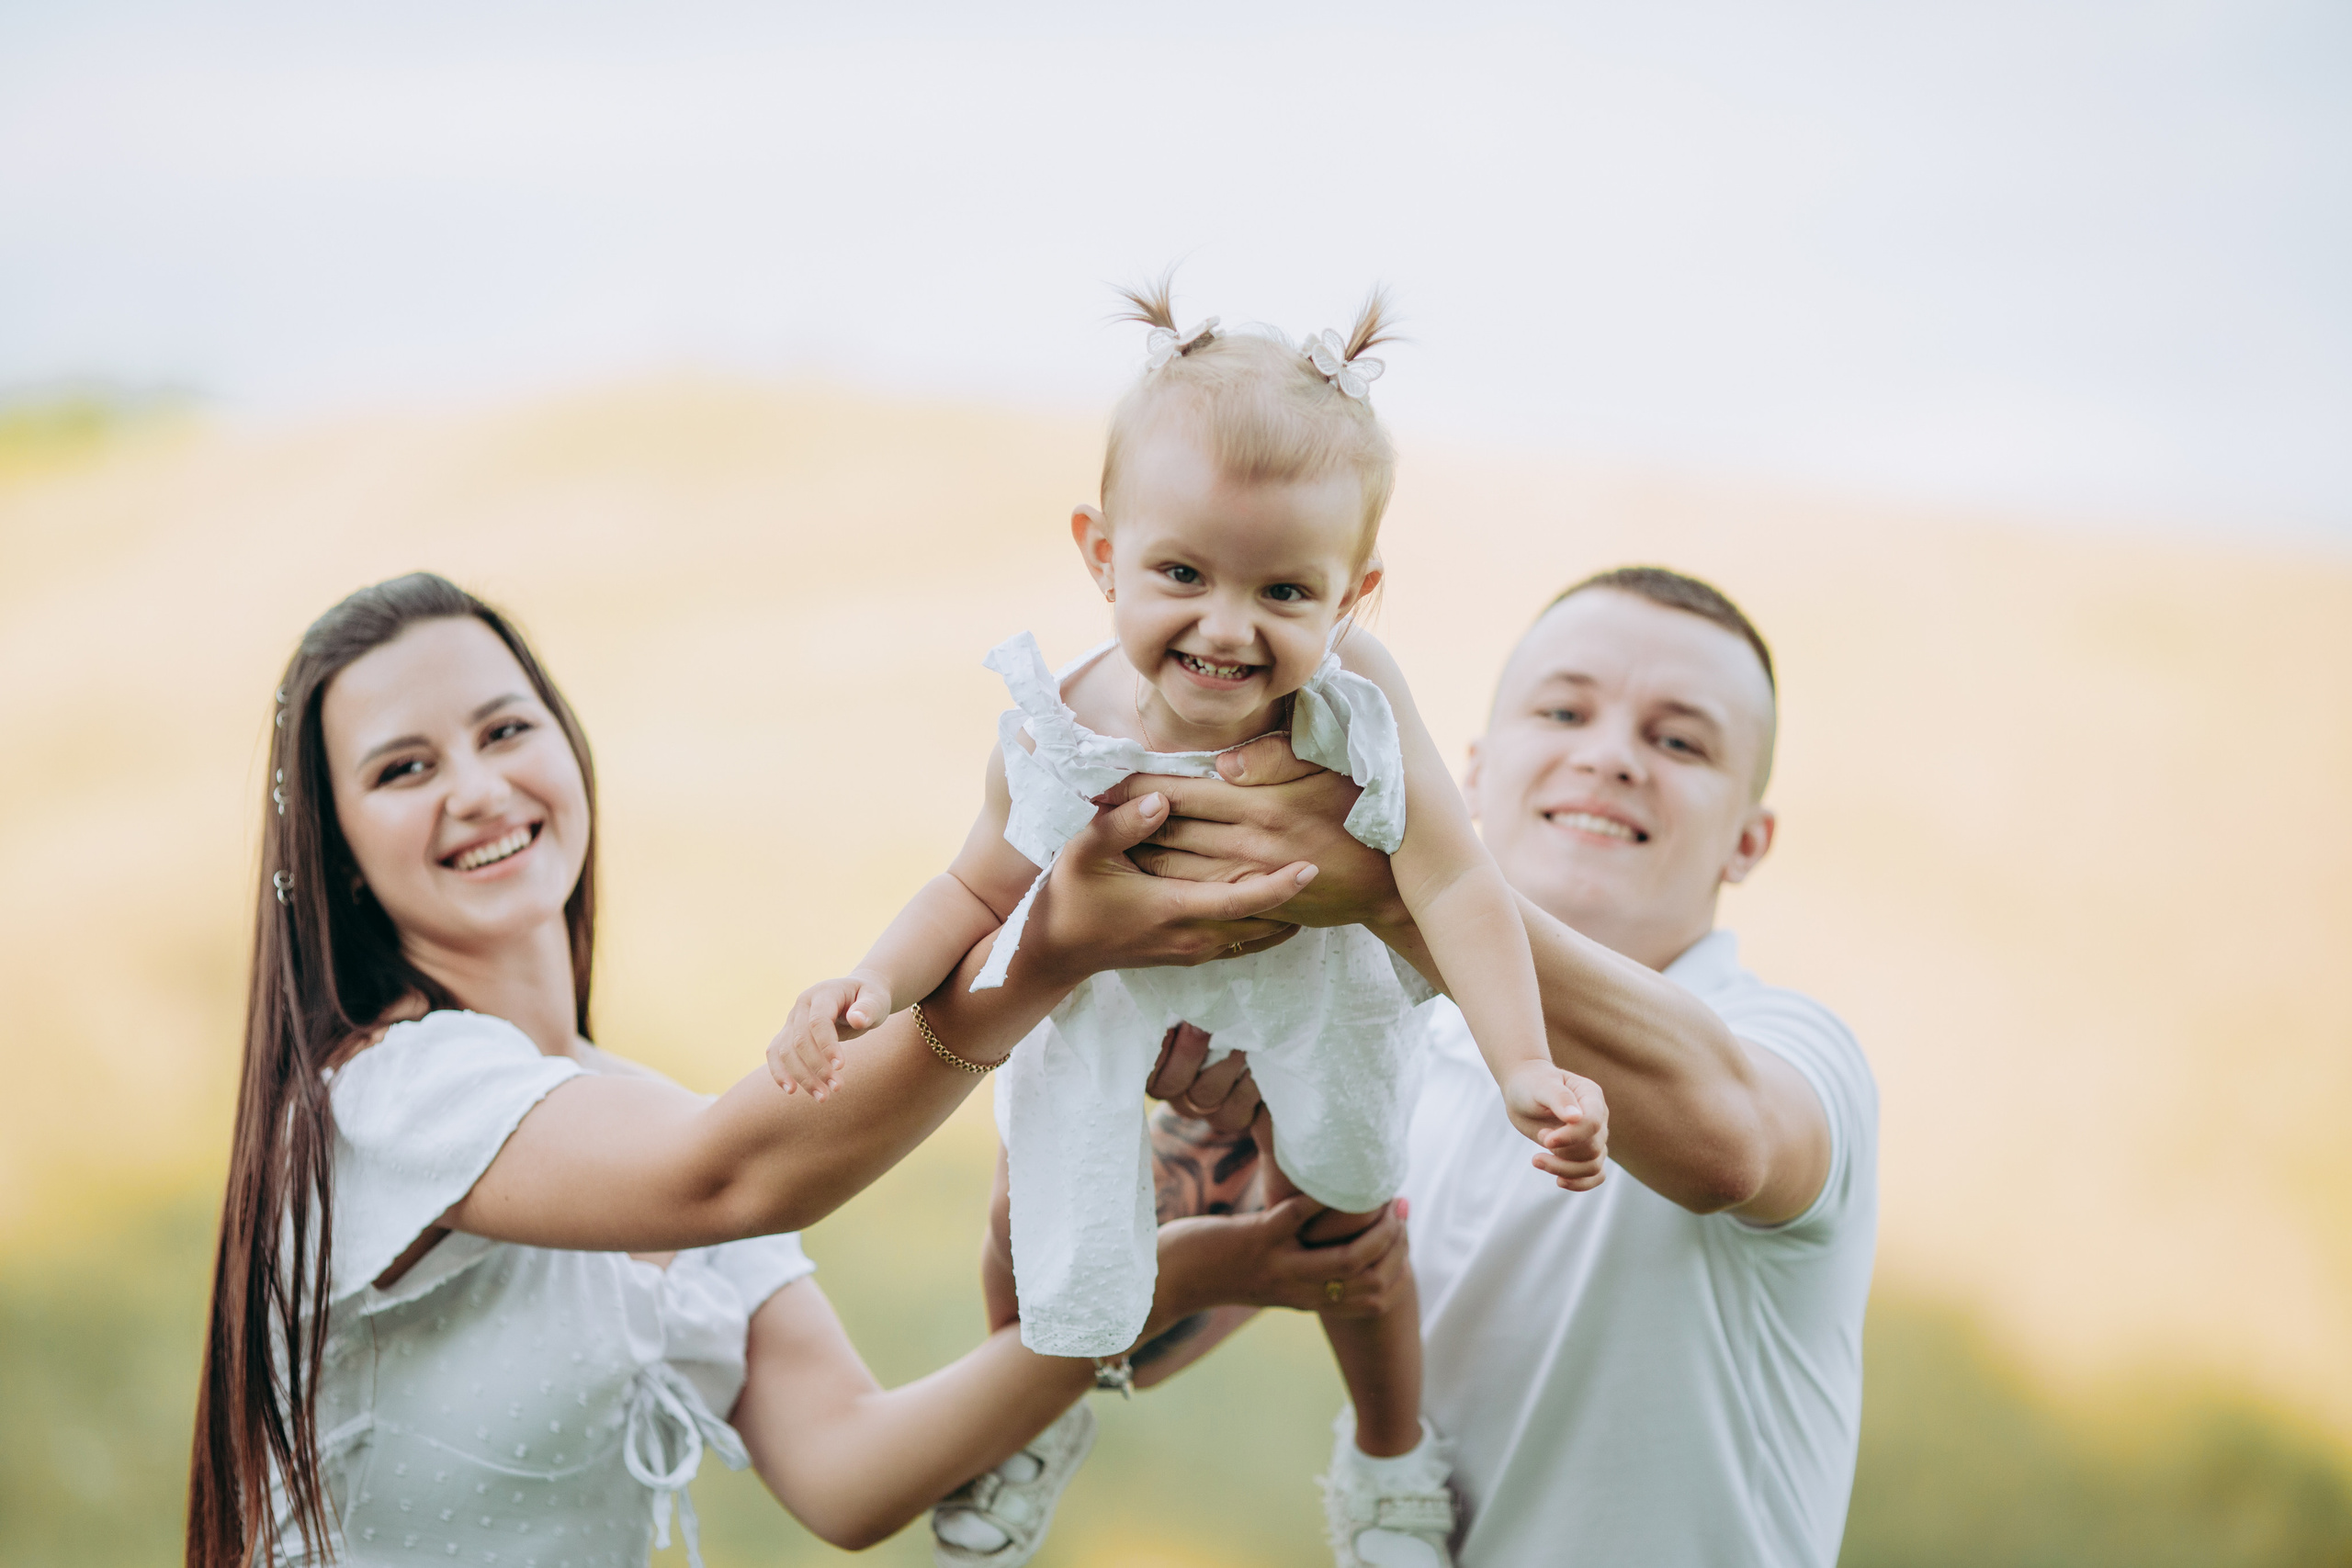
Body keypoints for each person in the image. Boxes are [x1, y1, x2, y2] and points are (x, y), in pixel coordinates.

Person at [186, 571, 1408, 1568]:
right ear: (338, 850)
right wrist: (1042, 954)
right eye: (403, 769)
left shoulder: (645, 1117)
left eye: (505, 730)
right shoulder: (383, 1095)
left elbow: (848, 1471)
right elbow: (730, 1177)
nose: (477, 787)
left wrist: (1175, 1274)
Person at [770, 284, 1604, 1568]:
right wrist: (872, 982)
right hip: (1110, 998)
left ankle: (1389, 1459)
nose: (1226, 626)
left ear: (1354, 593)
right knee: (1038, 1225)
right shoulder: (1060, 721)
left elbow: (1454, 881)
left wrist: (1522, 1062)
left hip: (1309, 985)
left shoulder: (1358, 701)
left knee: (1349, 1218)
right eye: (1181, 573)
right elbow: (976, 890)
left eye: (1284, 590)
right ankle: (1033, 1410)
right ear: (1101, 552)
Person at [1125, 568, 1881, 1568]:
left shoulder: (1790, 1045)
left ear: (1748, 840)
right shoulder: (1371, 1029)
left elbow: (1727, 1146)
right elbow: (1102, 1336)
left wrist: (1398, 885)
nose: (1609, 757)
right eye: (1564, 711)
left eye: (1679, 741)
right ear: (1470, 775)